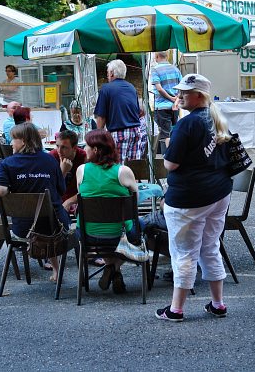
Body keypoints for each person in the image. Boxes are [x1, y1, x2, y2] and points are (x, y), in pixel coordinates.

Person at [155, 74, 233, 322]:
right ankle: (218, 303)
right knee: (210, 247)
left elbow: (170, 164)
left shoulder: (187, 124)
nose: (179, 96)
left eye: (185, 93)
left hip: (190, 198)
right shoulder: (216, 118)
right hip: (218, 193)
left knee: (184, 252)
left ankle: (176, 309)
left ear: (199, 96)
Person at [0, 123, 71, 282]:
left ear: (23, 141)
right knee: (50, 221)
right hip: (55, 226)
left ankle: (37, 252)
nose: (11, 143)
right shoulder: (50, 160)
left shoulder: (8, 163)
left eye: (13, 139)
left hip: (23, 228)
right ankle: (56, 269)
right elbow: (61, 190)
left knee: (40, 222)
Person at [75, 129, 138, 294]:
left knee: (102, 224)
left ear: (95, 150)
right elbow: (134, 202)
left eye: (86, 146)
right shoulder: (123, 171)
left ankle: (110, 267)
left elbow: (82, 195)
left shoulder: (81, 170)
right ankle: (114, 268)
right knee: (140, 228)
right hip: (119, 235)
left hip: (88, 235)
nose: (84, 149)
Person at [93, 59, 141, 163]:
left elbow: (101, 117)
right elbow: (139, 112)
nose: (107, 75)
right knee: (134, 167)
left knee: (117, 167)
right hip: (136, 131)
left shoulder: (106, 89)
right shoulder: (131, 87)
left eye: (107, 73)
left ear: (111, 73)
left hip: (119, 133)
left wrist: (98, 138)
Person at [151, 51, 182, 153]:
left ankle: (167, 158)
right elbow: (181, 88)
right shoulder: (175, 69)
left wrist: (170, 98)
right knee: (174, 133)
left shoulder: (155, 69)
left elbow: (159, 88)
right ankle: (176, 155)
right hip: (175, 107)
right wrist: (175, 100)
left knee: (164, 135)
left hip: (162, 107)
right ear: (167, 56)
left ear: (157, 56)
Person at [49, 130, 86, 213]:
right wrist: (62, 172)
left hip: (78, 201)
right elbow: (50, 188)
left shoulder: (84, 158)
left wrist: (70, 201)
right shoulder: (52, 157)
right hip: (56, 202)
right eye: (57, 146)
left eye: (64, 147)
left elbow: (89, 188)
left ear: (74, 148)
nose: (59, 150)